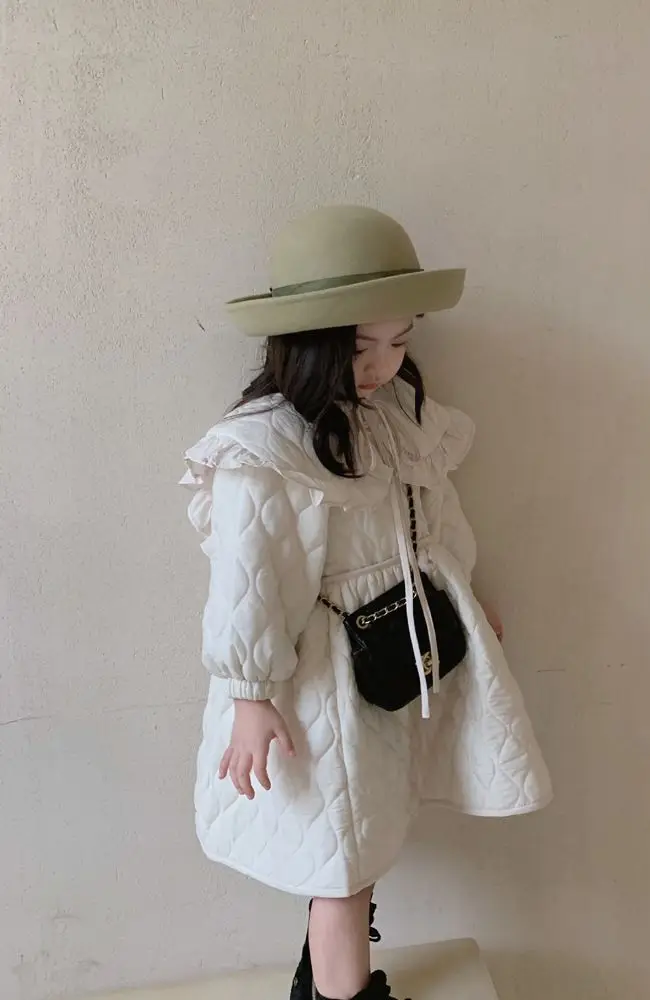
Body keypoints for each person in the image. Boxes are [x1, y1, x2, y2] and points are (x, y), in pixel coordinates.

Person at [181, 205, 552, 1000]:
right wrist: (250, 694)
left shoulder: (393, 418)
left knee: (359, 838)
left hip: (391, 659)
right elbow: (250, 580)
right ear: (309, 345)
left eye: (399, 340)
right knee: (341, 864)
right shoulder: (264, 447)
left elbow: (434, 520)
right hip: (319, 680)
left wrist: (465, 595)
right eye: (360, 348)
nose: (384, 364)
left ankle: (323, 979)